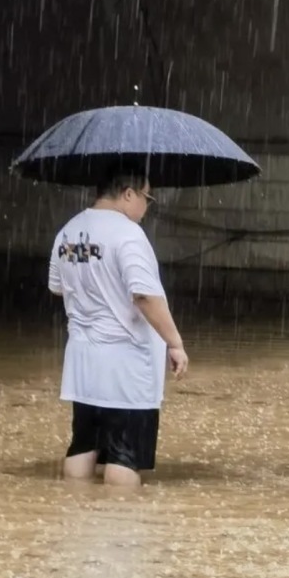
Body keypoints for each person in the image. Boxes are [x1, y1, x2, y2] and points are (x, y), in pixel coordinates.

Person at [47, 170, 189, 487]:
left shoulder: (68, 231)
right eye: (147, 198)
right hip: (126, 363)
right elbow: (144, 295)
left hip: (83, 360)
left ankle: (76, 512)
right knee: (124, 455)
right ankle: (121, 525)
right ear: (128, 193)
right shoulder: (128, 235)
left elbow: (57, 287)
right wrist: (174, 342)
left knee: (83, 444)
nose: (147, 206)